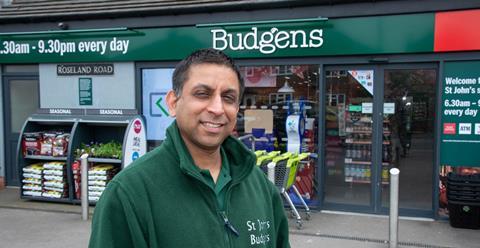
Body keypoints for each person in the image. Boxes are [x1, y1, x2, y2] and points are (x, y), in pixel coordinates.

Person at [89, 48, 290, 248]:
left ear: (237, 109)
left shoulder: (259, 185)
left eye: (228, 98)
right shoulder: (128, 193)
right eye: (202, 94)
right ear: (173, 103)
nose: (217, 109)